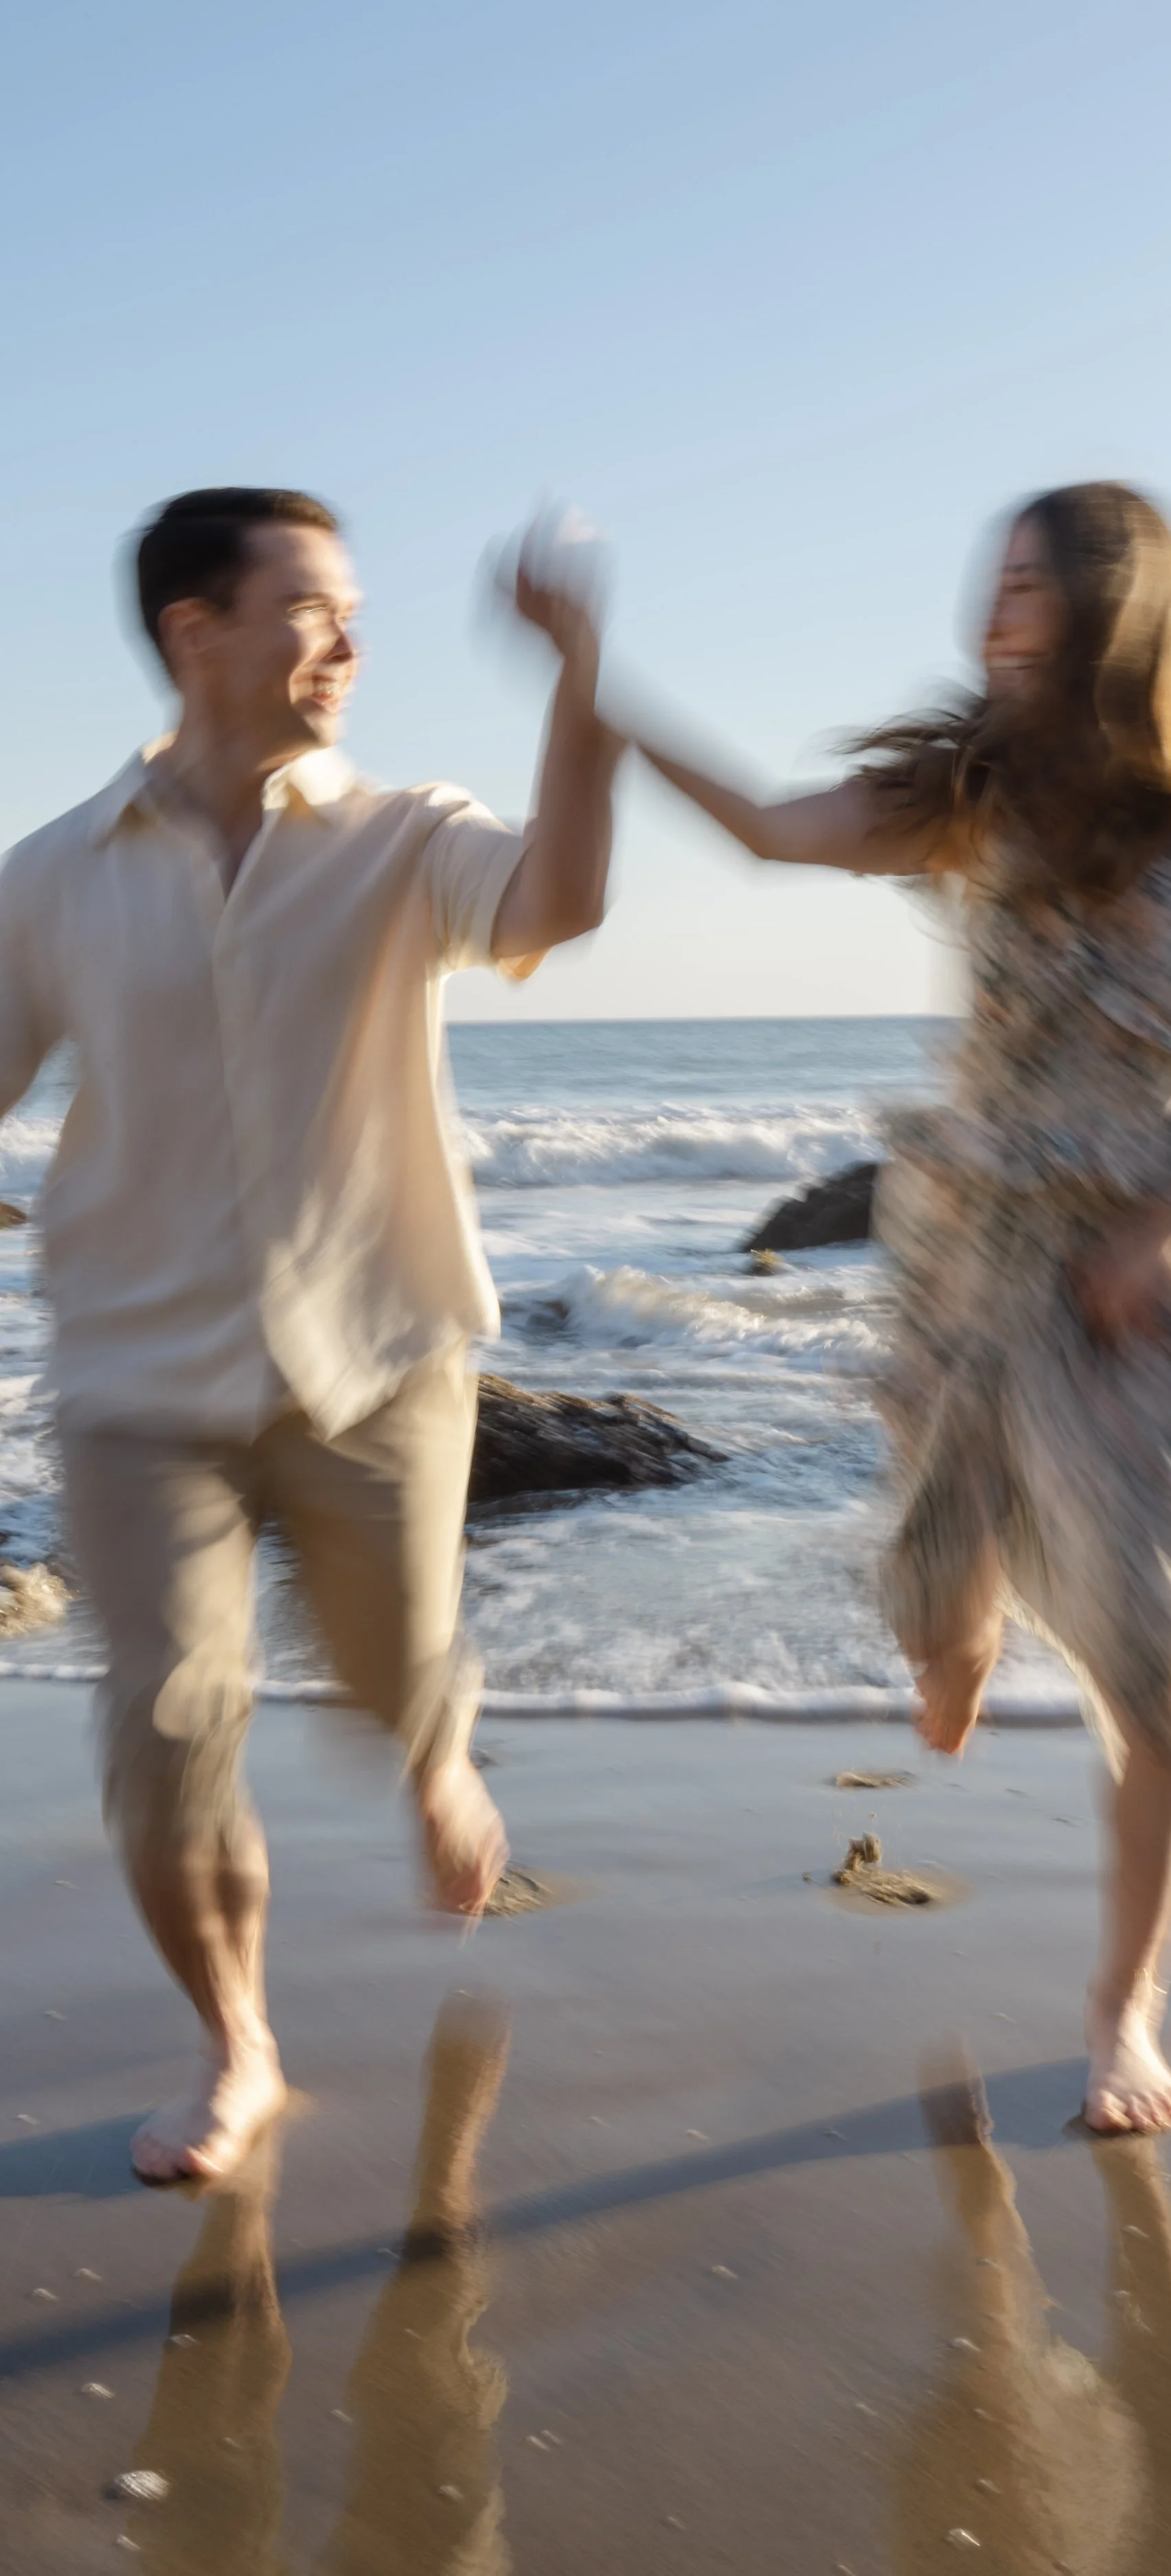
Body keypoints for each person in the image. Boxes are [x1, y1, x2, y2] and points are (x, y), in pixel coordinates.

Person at [624, 482, 1171, 2132]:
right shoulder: (969, 797)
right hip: (969, 1257)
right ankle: (963, 1617)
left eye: (1025, 586)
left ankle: (1124, 2012)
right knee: (935, 1618)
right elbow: (754, 824)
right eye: (991, 584)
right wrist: (593, 684)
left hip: (1151, 1282)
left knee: (1159, 1660)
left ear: (1117, 608)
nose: (990, 612)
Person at [0, 487, 617, 2182]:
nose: (350, 640)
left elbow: (554, 904)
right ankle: (239, 2045)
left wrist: (579, 687)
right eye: (312, 607)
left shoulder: (409, 834)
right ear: (198, 632)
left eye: (351, 611)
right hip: (138, 1380)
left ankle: (436, 1754)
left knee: (393, 1672)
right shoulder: (52, 877)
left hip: (378, 1362)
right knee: (168, 1731)